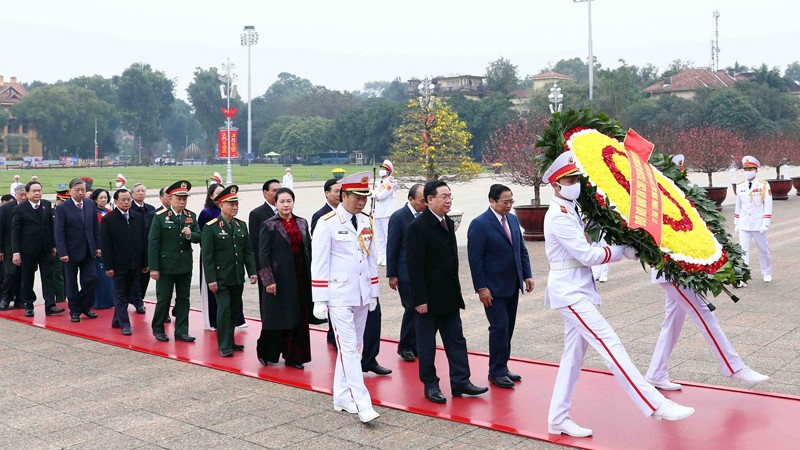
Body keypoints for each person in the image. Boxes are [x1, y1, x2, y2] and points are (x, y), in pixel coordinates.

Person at [542, 151, 694, 438]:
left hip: (578, 289)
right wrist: (621, 251)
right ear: (555, 184)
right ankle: (655, 403)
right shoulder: (557, 216)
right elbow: (586, 254)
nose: (575, 183)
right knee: (610, 343)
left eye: (576, 177)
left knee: (572, 357)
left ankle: (558, 417)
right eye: (569, 179)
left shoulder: (571, 208)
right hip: (569, 292)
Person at [408, 180, 488, 404]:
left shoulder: (448, 223)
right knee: (426, 345)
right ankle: (430, 384)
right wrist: (419, 299)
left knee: (456, 340)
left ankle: (461, 381)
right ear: (430, 199)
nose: (448, 200)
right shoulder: (418, 227)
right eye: (443, 196)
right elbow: (413, 267)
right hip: (428, 300)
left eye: (450, 196)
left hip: (449, 296)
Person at [310, 171, 381, 423]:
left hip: (361, 294)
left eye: (365, 197)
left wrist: (373, 291)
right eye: (357, 197)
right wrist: (319, 299)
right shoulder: (327, 222)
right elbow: (318, 262)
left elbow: (370, 259)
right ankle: (362, 402)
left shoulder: (366, 221)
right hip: (338, 295)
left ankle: (341, 396)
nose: (361, 202)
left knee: (353, 348)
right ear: (344, 195)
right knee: (349, 349)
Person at [467, 184, 534, 389]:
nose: (509, 205)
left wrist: (527, 275)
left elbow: (520, 250)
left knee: (508, 328)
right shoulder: (480, 224)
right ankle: (495, 372)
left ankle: (502, 366)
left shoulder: (512, 220)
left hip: (512, 284)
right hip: (492, 289)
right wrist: (481, 288)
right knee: (499, 328)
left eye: (511, 201)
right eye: (505, 202)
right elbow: (475, 259)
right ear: (492, 201)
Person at [257, 187, 312, 367]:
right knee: (276, 318)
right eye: (282, 201)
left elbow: (308, 250)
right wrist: (268, 280)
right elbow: (263, 255)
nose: (286, 205)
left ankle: (294, 356)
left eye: (289, 201)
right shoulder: (269, 225)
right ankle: (267, 353)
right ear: (276, 203)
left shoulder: (302, 222)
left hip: (300, 278)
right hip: (279, 279)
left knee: (298, 318)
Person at [202, 185, 257, 357]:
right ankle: (223, 345)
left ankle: (231, 341)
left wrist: (252, 272)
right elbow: (207, 256)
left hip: (236, 276)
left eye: (236, 204)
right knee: (224, 309)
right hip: (220, 277)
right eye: (230, 204)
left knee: (234, 309)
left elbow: (247, 251)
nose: (234, 207)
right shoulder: (211, 227)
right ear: (220, 205)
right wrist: (211, 279)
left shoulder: (241, 225)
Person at [149, 180, 201, 343]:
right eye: (178, 198)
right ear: (170, 199)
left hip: (184, 265)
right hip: (166, 266)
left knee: (184, 299)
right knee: (164, 298)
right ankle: (158, 328)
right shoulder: (160, 217)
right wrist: (154, 268)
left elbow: (199, 236)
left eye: (184, 199)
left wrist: (189, 234)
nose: (182, 202)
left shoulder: (190, 216)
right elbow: (153, 243)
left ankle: (181, 331)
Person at [11, 181, 64, 318]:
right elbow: (15, 232)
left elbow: (51, 227)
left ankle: (50, 305)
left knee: (48, 277)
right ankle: (28, 305)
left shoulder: (46, 204)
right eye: (34, 191)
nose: (37, 193)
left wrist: (53, 245)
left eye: (39, 190)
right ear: (27, 193)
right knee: (28, 278)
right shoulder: (20, 209)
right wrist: (16, 252)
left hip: (45, 248)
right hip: (27, 250)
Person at [386, 183, 425, 362]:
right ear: (411, 199)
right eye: (422, 201)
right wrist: (392, 274)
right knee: (411, 308)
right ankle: (405, 346)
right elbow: (392, 247)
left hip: (423, 272)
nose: (425, 204)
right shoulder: (399, 217)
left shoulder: (426, 216)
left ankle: (416, 344)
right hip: (405, 273)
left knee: (422, 310)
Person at [101, 189, 148, 336]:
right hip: (118, 264)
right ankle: (125, 324)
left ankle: (117, 319)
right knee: (119, 294)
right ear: (115, 202)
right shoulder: (109, 219)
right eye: (123, 200)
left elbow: (143, 241)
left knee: (127, 294)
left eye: (128, 199)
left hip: (135, 264)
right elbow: (106, 245)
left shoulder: (137, 217)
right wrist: (108, 266)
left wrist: (145, 262)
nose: (127, 202)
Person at [55, 178, 101, 323]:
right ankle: (74, 310)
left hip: (88, 249)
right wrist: (62, 252)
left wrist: (98, 246)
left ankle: (84, 306)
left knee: (92, 278)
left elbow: (95, 227)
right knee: (71, 283)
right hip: (70, 252)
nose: (81, 193)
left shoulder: (90, 204)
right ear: (70, 191)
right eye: (77, 190)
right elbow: (59, 232)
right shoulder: (63, 207)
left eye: (83, 190)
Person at [735, 155, 773, 283]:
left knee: (763, 250)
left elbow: (768, 205)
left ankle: (766, 272)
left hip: (758, 225)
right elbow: (738, 206)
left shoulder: (763, 185)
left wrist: (765, 224)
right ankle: (742, 277)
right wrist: (736, 223)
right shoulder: (740, 186)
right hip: (744, 224)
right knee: (742, 252)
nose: (747, 172)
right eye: (745, 169)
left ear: (756, 170)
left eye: (750, 169)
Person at [249, 179, 280, 318]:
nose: (278, 193)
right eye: (274, 191)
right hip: (266, 266)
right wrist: (261, 270)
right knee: (267, 302)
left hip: (283, 266)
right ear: (265, 193)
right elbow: (256, 244)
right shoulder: (257, 214)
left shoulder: (285, 210)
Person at [130, 183, 154, 314]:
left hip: (148, 247)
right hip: (135, 247)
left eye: (143, 191)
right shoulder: (130, 209)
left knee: (146, 275)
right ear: (132, 194)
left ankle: (139, 298)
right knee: (136, 276)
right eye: (138, 191)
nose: (141, 193)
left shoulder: (151, 209)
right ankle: (138, 301)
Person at [0, 186, 25, 310]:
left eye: (25, 194)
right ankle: (6, 298)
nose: (23, 197)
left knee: (23, 274)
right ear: (15, 194)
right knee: (10, 273)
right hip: (9, 247)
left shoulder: (31, 207)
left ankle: (20, 300)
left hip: (26, 247)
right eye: (20, 194)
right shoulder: (6, 209)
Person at [90, 189, 114, 309]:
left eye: (105, 197)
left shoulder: (110, 212)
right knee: (99, 278)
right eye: (101, 198)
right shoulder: (92, 213)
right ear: (95, 199)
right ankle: (98, 302)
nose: (103, 200)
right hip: (98, 249)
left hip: (109, 249)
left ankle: (110, 300)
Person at [372, 159, 396, 266]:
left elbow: (381, 195)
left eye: (383, 169)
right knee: (380, 237)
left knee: (387, 236)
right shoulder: (378, 182)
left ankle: (388, 257)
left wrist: (374, 194)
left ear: (388, 171)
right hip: (377, 212)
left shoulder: (391, 183)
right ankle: (381, 256)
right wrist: (375, 193)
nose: (381, 170)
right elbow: (375, 193)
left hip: (386, 212)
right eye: (381, 168)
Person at [51, 190, 70, 304]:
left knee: (68, 273)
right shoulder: (52, 212)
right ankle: (60, 299)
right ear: (57, 200)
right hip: (56, 248)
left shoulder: (70, 211)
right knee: (57, 273)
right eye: (63, 201)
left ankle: (67, 296)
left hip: (69, 247)